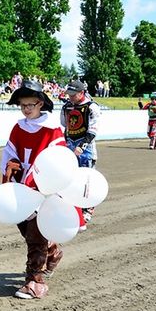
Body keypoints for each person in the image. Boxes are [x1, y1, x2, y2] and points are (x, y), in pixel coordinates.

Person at [1, 80, 67, 299]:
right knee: (25, 227)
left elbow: (56, 160)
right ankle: (52, 251)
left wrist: (37, 181)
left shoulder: (52, 130)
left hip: (43, 187)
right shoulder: (18, 128)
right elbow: (10, 152)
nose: (26, 109)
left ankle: (34, 281)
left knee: (35, 232)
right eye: (23, 105)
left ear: (40, 103)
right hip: (21, 185)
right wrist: (12, 167)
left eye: (30, 104)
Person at [61, 79, 100, 228]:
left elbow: (93, 130)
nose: (70, 97)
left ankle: (88, 207)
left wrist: (82, 146)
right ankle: (74, 208)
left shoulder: (92, 107)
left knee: (87, 179)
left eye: (73, 94)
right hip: (70, 144)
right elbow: (65, 126)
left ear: (81, 93)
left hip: (86, 148)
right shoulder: (66, 107)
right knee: (71, 178)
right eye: (69, 94)